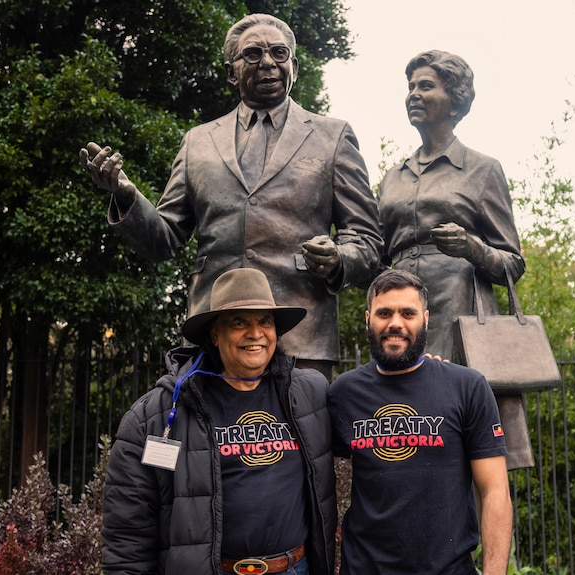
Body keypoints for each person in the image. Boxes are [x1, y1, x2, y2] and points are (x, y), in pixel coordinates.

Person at [80, 13, 382, 380]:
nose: (268, 62)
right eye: (253, 54)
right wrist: (127, 196)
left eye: (279, 53)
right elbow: (164, 240)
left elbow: (366, 241)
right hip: (215, 333)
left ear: (295, 67)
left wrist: (339, 258)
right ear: (231, 72)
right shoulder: (199, 142)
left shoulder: (332, 137)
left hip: (301, 335)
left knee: (303, 438)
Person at [102, 267, 336, 575]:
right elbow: (127, 534)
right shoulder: (155, 415)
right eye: (239, 321)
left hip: (295, 568)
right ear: (214, 334)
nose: (255, 333)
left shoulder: (310, 394)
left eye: (265, 321)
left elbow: (368, 429)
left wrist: (415, 377)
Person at [377, 49, 532, 470]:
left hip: (460, 316)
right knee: (401, 439)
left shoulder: (482, 170)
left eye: (426, 85)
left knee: (463, 444)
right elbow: (377, 251)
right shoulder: (394, 176)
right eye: (410, 86)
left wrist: (470, 247)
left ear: (456, 98)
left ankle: (490, 537)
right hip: (400, 313)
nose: (413, 94)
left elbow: (512, 264)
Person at [328, 269, 512, 575]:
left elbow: (494, 490)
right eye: (384, 313)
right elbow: (331, 486)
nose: (395, 323)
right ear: (367, 319)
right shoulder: (342, 393)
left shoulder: (466, 387)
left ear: (425, 319)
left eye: (407, 313)